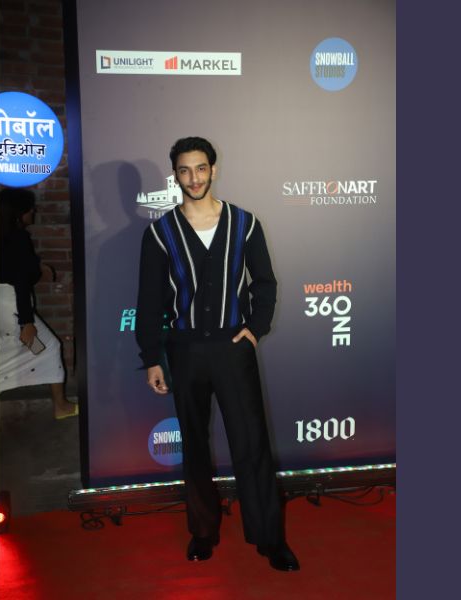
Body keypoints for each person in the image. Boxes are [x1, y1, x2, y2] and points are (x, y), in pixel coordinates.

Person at [135, 137, 299, 571]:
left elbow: (265, 283)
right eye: (184, 170)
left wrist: (255, 329)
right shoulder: (160, 233)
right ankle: (203, 532)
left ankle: (270, 538)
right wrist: (152, 357)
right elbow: (149, 301)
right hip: (185, 351)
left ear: (214, 169)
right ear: (175, 175)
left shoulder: (245, 224)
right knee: (194, 445)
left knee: (252, 444)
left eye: (201, 168)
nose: (194, 178)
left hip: (232, 349)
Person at [0, 187, 77, 420]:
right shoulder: (19, 238)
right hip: (13, 305)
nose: (34, 211)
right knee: (49, 347)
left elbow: (14, 270)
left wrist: (37, 268)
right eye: (30, 208)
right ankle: (61, 406)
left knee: (2, 350)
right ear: (19, 212)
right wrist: (27, 322)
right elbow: (21, 282)